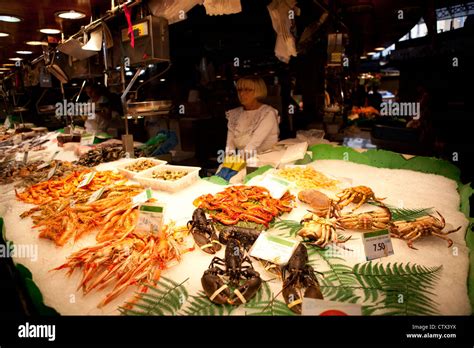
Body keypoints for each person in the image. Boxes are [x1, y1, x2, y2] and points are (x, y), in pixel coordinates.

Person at [225, 76, 280, 156]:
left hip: (267, 161)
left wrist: (237, 163)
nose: (242, 94)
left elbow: (253, 145)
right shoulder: (234, 114)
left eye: (247, 90)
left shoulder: (267, 113)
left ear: (259, 92)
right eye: (240, 90)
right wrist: (229, 160)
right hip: (244, 160)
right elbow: (230, 144)